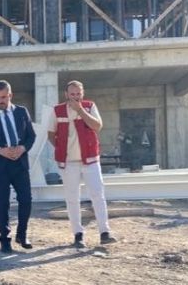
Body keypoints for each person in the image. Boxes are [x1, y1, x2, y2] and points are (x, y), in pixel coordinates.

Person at [47, 80, 116, 249]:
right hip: (69, 162)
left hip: (90, 160)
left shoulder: (89, 106)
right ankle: (78, 234)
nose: (75, 97)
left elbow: (97, 126)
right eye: (72, 94)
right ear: (66, 94)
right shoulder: (57, 110)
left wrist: (80, 110)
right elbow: (51, 134)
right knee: (72, 198)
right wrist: (61, 148)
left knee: (98, 195)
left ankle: (104, 232)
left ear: (82, 93)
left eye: (78, 94)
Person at [0, 80, 36, 253]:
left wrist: (22, 148)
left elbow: (31, 136)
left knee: (26, 200)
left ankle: (22, 235)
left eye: (3, 97)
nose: (0, 101)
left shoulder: (22, 112)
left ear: (10, 95)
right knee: (2, 203)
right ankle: (5, 238)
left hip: (20, 163)